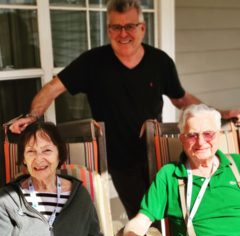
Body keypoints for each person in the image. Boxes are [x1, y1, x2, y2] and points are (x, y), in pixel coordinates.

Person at [9, 0, 240, 219]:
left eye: (129, 26)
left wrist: (217, 114)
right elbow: (51, 89)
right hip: (120, 159)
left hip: (155, 152)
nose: (123, 34)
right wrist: (32, 116)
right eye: (116, 27)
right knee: (143, 215)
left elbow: (181, 100)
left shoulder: (160, 62)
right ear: (108, 30)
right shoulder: (92, 62)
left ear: (142, 27)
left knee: (173, 210)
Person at [123, 103, 240, 236]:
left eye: (208, 134)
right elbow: (140, 220)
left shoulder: (236, 164)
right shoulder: (170, 175)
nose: (201, 142)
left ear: (218, 135)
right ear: (182, 139)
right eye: (192, 135)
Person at [0, 121, 126, 236]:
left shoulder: (78, 196)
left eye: (47, 151)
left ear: (60, 154)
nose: (39, 159)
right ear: (23, 159)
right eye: (31, 152)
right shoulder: (7, 199)